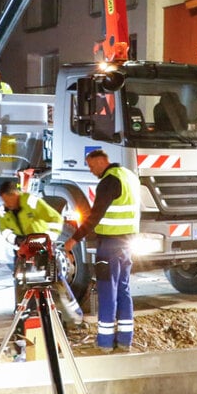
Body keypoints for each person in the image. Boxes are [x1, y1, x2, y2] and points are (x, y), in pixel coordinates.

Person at [63, 149, 140, 353]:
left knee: (107, 291)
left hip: (110, 245)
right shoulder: (129, 176)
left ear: (101, 161)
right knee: (123, 289)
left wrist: (73, 239)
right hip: (127, 242)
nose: (90, 170)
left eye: (91, 165)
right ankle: (125, 340)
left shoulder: (108, 181)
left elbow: (95, 215)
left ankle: (105, 343)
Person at [0, 181, 83, 329]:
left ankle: (72, 318)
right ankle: (24, 319)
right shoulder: (3, 211)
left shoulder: (32, 202)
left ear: (15, 194)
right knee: (22, 283)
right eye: (4, 200)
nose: (6, 203)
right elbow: (4, 231)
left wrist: (46, 240)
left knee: (54, 282)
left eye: (8, 199)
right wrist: (16, 240)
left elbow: (56, 220)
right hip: (23, 252)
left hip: (43, 250)